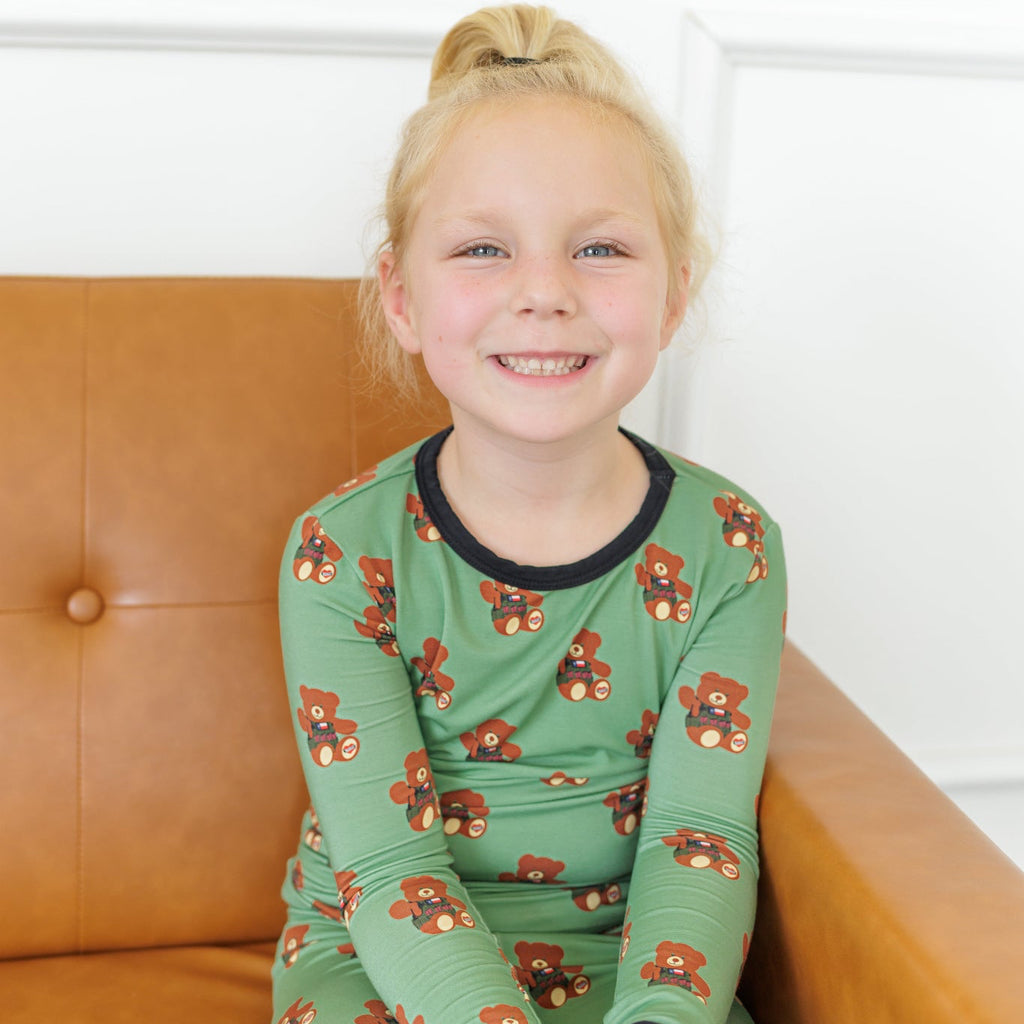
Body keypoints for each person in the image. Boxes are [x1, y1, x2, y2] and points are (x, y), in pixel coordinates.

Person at [272, 5, 786, 1024]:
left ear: (675, 292)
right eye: (482, 250)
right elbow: (388, 867)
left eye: (599, 248)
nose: (545, 291)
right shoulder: (340, 552)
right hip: (379, 953)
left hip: (626, 964)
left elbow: (701, 838)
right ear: (402, 299)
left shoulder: (729, 544)